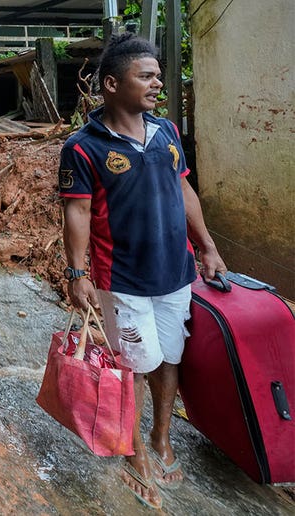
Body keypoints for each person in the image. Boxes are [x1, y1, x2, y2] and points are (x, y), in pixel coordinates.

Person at [58, 34, 226, 510]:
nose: (157, 84)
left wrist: (207, 247)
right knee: (132, 367)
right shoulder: (83, 147)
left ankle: (160, 435)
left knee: (169, 359)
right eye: (146, 76)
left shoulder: (168, 132)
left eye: (157, 75)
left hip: (176, 274)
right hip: (121, 283)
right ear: (112, 84)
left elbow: (185, 193)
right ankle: (133, 452)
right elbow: (78, 213)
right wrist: (76, 274)